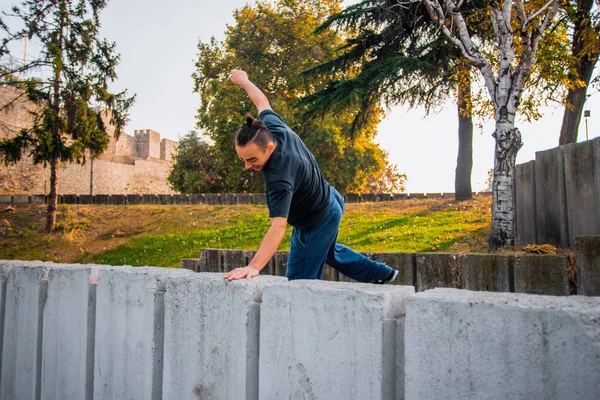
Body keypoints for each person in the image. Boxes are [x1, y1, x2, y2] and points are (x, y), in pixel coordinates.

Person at [224, 69, 398, 284]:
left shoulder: (279, 177)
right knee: (326, 251)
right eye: (243, 159)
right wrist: (245, 81)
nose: (247, 166)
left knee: (298, 283)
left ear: (269, 149)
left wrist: (253, 266)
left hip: (316, 220)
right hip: (332, 198)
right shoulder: (275, 129)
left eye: (251, 160)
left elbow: (278, 226)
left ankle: (378, 275)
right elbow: (262, 102)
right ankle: (381, 274)